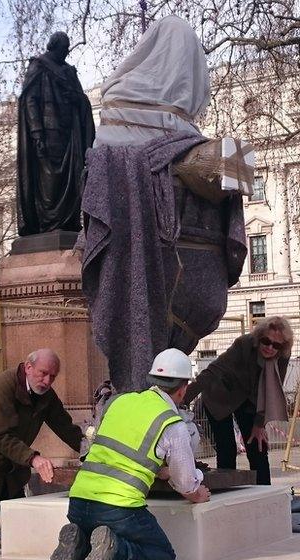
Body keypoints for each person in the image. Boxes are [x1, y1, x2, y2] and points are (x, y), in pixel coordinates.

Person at [81, 15, 247, 393]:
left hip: (149, 273)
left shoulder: (118, 103)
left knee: (142, 375)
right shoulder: (194, 133)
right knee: (168, 378)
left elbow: (97, 202)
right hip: (199, 286)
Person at [49, 348, 210, 560]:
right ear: (183, 387)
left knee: (97, 549)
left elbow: (123, 450)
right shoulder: (172, 423)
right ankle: (115, 549)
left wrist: (159, 470)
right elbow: (186, 482)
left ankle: (79, 546)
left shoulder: (119, 402)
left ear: (153, 379)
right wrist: (198, 493)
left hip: (79, 502)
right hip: (119, 509)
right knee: (162, 557)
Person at [0, 348, 83, 560]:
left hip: (13, 461)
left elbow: (65, 427)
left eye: (53, 376)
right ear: (28, 367)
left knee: (15, 522)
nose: (47, 381)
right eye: (43, 373)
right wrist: (34, 458)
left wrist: (90, 450)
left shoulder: (46, 394)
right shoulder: (5, 384)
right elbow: (0, 436)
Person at [184, 316, 293, 485]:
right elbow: (215, 369)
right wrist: (182, 398)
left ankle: (263, 494)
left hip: (250, 400)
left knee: (258, 447)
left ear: (282, 347)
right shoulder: (244, 344)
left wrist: (259, 424)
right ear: (259, 338)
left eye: (276, 345)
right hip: (221, 395)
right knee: (227, 449)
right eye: (266, 341)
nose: (270, 348)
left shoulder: (282, 357)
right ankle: (227, 491)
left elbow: (271, 391)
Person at [17, 31, 95, 235]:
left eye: (68, 48)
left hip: (70, 136)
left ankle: (68, 222)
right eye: (64, 48)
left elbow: (82, 99)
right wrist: (36, 132)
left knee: (73, 177)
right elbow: (30, 101)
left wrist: (77, 98)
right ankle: (47, 223)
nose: (67, 52)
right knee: (49, 182)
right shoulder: (38, 66)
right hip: (47, 133)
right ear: (54, 47)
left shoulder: (69, 71)